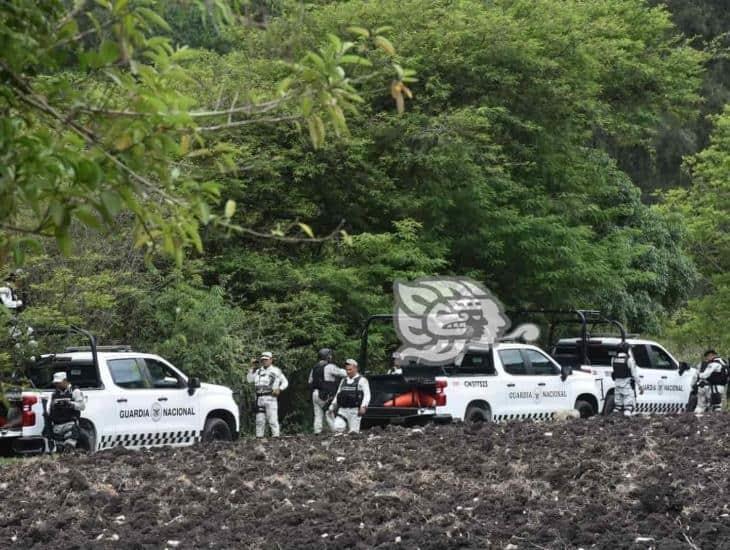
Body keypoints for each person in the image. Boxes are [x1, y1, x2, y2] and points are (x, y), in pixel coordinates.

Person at [246, 351, 288, 437]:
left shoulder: (276, 371)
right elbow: (249, 380)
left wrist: (279, 389)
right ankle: (259, 439)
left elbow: (285, 382)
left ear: (271, 360)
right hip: (259, 398)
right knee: (259, 421)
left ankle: (276, 438)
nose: (264, 361)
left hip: (271, 398)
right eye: (263, 360)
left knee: (272, 421)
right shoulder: (257, 371)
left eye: (266, 359)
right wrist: (252, 368)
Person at [308, 348, 346, 434]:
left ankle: (317, 431)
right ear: (327, 357)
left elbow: (310, 381)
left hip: (315, 394)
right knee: (329, 412)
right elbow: (343, 373)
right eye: (330, 355)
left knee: (318, 414)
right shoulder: (330, 367)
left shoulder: (314, 368)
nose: (331, 357)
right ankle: (336, 431)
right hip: (325, 395)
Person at [329, 358, 370, 434]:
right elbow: (338, 393)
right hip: (343, 410)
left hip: (355, 411)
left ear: (355, 368)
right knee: (337, 428)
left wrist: (364, 406)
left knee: (353, 433)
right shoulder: (343, 381)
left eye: (350, 370)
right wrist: (332, 405)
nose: (348, 372)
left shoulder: (362, 380)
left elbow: (367, 394)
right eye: (347, 370)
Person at [47, 371, 85, 452]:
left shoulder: (75, 391)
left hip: (70, 424)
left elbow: (82, 406)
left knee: (69, 447)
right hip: (57, 426)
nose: (57, 385)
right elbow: (49, 410)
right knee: (59, 450)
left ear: (65, 381)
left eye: (58, 383)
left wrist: (70, 404)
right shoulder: (54, 394)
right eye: (56, 383)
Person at [611, 342, 642, 416]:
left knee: (617, 407)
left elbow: (615, 371)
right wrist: (640, 386)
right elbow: (634, 375)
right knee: (628, 408)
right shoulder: (629, 360)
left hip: (617, 386)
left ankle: (614, 421)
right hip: (627, 386)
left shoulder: (613, 359)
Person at [693, 349, 728, 414]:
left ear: (711, 355)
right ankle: (717, 422)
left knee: (708, 406)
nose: (707, 358)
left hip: (715, 388)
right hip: (722, 387)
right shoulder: (724, 362)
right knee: (718, 406)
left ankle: (703, 421)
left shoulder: (714, 363)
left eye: (707, 356)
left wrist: (699, 375)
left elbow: (705, 375)